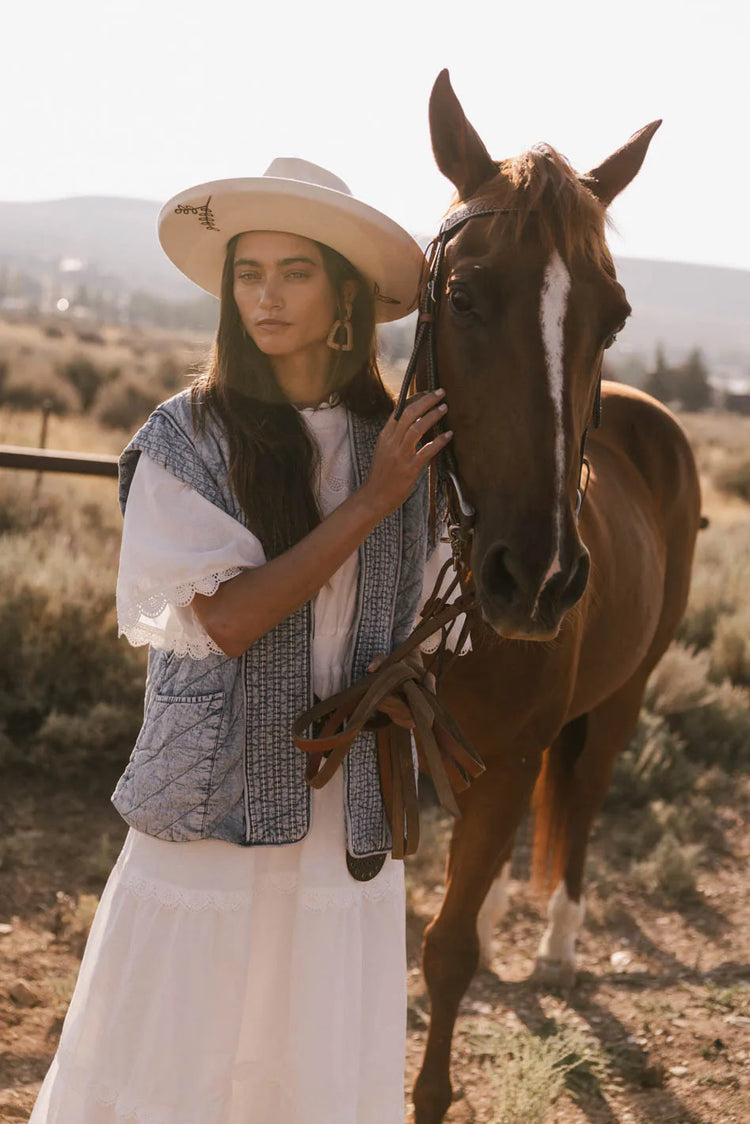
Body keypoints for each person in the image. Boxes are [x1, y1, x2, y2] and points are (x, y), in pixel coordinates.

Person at [29, 158, 452, 1123]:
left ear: (346, 291)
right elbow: (226, 621)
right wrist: (376, 499)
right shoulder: (187, 439)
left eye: (294, 272)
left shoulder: (401, 443)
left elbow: (426, 619)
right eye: (248, 273)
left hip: (343, 812)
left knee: (308, 1062)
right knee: (173, 1058)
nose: (265, 295)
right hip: (211, 805)